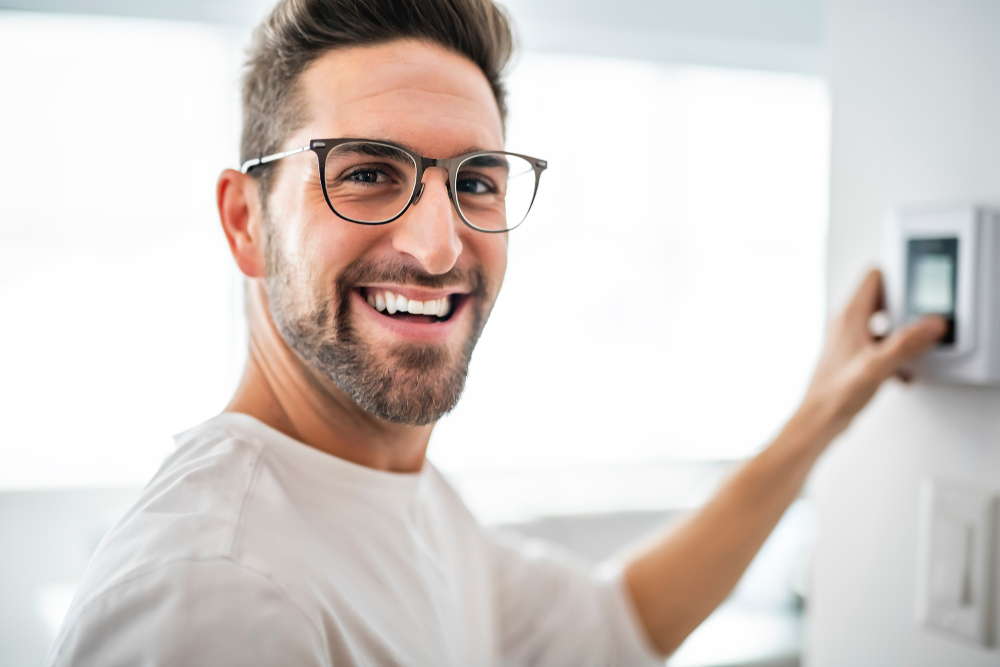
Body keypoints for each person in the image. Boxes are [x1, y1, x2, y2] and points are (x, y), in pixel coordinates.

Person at [46, 0, 946, 664]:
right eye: (365, 172)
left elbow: (613, 625)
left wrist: (821, 416)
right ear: (246, 221)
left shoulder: (406, 495)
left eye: (474, 180)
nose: (438, 248)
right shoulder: (214, 593)